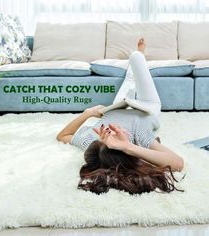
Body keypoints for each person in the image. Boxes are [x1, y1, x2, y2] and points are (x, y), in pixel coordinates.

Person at [57, 39, 184, 195]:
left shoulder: (90, 140)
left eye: (106, 136)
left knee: (130, 79)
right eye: (115, 139)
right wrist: (129, 147)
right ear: (126, 150)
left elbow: (63, 135)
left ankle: (139, 54)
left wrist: (88, 113)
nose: (111, 131)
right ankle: (140, 52)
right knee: (136, 57)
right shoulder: (138, 137)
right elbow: (178, 163)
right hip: (147, 107)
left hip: (118, 106)